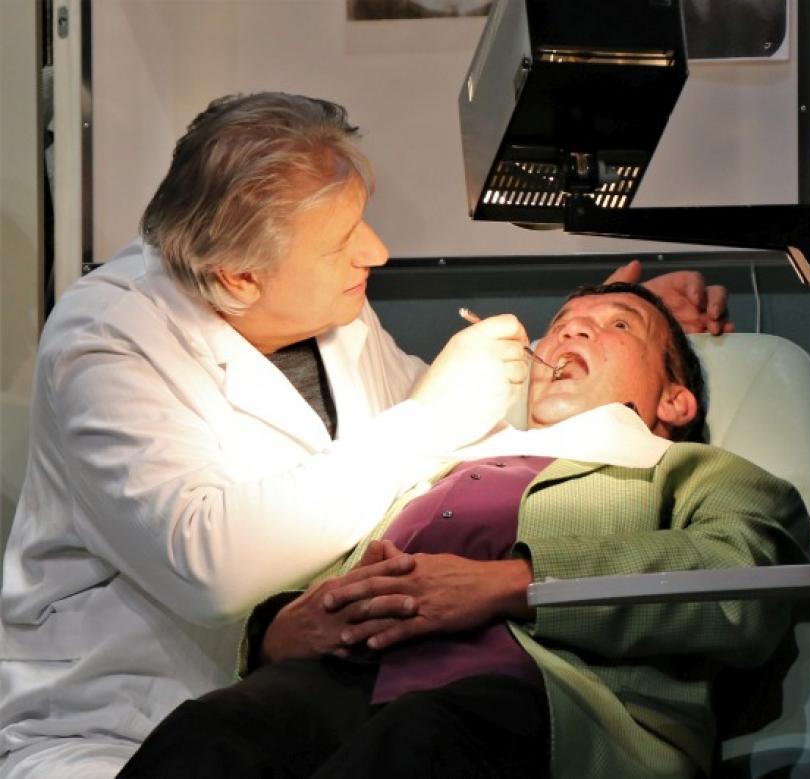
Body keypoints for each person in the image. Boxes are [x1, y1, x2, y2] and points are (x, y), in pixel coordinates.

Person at [0, 93, 731, 778]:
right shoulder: (107, 341)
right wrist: (436, 416)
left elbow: (471, 420)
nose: (376, 252)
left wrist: (623, 327)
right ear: (240, 278)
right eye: (342, 241)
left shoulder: (332, 313)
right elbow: (208, 563)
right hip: (123, 718)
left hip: (340, 697)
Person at [118, 282, 810, 779]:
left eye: (617, 325)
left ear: (675, 400)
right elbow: (329, 567)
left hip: (546, 704)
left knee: (418, 742)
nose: (570, 332)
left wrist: (512, 584)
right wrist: (277, 630)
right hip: (348, 679)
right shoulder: (438, 460)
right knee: (210, 734)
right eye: (562, 322)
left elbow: (745, 581)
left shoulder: (692, 472)